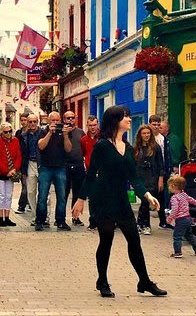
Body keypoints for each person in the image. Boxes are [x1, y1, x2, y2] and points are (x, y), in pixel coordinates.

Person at [73, 105, 167, 298]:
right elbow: (91, 174)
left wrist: (147, 196)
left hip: (121, 200)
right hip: (103, 199)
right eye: (125, 117)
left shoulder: (129, 148)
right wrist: (81, 199)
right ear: (115, 120)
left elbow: (135, 178)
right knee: (106, 241)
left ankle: (145, 281)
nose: (129, 119)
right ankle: (103, 281)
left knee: (134, 240)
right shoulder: (102, 146)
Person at [36, 111, 71, 231]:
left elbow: (68, 149)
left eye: (57, 120)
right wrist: (50, 133)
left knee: (61, 196)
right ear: (49, 121)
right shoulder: (43, 131)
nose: (55, 123)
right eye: (53, 121)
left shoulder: (64, 131)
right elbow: (41, 146)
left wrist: (66, 135)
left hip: (60, 167)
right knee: (42, 196)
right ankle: (40, 221)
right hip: (46, 167)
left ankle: (60, 221)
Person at [132, 125, 166, 235]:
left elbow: (161, 164)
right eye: (144, 133)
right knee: (144, 200)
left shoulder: (155, 147)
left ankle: (144, 224)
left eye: (148, 133)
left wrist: (161, 178)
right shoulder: (136, 148)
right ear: (140, 135)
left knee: (147, 201)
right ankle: (141, 224)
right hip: (140, 178)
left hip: (152, 178)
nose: (146, 135)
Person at [166, 175, 196, 258]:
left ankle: (178, 252)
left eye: (169, 186)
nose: (168, 188)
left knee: (177, 236)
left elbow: (175, 209)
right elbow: (192, 200)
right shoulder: (184, 194)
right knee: (190, 235)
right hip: (188, 218)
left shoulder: (174, 198)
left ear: (173, 186)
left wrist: (170, 218)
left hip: (180, 219)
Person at [0, 122, 22, 227]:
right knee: (1, 195)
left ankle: (7, 217)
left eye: (10, 131)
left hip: (11, 172)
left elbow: (18, 156)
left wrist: (14, 169)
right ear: (1, 132)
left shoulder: (15, 141)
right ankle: (1, 218)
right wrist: (6, 171)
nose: (8, 133)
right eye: (6, 132)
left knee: (9, 195)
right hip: (0, 173)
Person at [20, 114, 45, 225]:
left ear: (38, 122)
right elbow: (22, 153)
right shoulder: (24, 135)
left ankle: (45, 217)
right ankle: (35, 216)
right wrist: (22, 169)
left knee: (45, 193)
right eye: (30, 122)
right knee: (30, 191)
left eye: (35, 121)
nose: (32, 124)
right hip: (30, 163)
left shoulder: (43, 133)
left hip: (42, 164)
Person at [63, 111, 86, 226]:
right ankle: (61, 217)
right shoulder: (61, 132)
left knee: (77, 193)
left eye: (72, 118)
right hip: (65, 166)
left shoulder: (81, 132)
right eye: (68, 118)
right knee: (64, 193)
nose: (70, 120)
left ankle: (75, 217)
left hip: (78, 165)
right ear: (64, 119)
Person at [14, 113, 30, 214]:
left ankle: (26, 204)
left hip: (31, 161)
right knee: (25, 185)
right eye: (22, 120)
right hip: (22, 162)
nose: (23, 122)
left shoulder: (32, 132)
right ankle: (21, 205)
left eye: (25, 120)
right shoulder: (18, 133)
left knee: (29, 186)